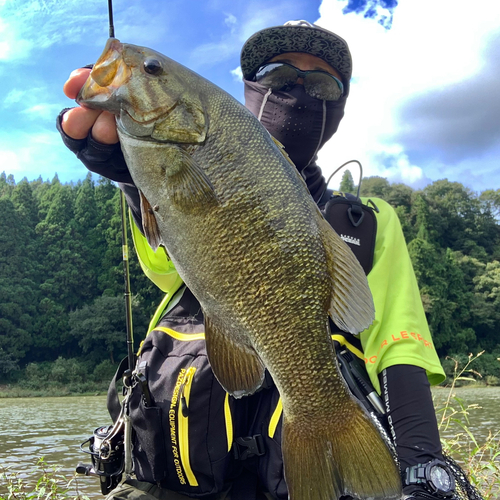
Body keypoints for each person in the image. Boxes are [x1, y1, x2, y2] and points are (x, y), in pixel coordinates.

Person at [58, 20, 460, 500]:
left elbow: (401, 346)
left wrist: (421, 461)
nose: (298, 89)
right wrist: (133, 181)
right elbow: (169, 269)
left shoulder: (370, 222)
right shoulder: (185, 153)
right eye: (277, 75)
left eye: (320, 83)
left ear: (338, 105)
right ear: (248, 89)